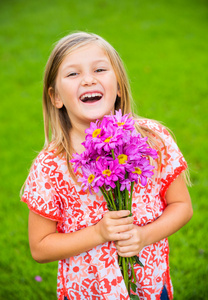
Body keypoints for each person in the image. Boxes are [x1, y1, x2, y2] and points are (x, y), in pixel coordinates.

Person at [21, 32, 193, 300]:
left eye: (99, 69)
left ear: (119, 86)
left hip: (149, 287)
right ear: (56, 97)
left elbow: (182, 206)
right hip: (87, 292)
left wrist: (144, 236)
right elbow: (40, 248)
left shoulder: (152, 141)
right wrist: (99, 233)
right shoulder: (50, 166)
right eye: (73, 74)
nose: (89, 79)